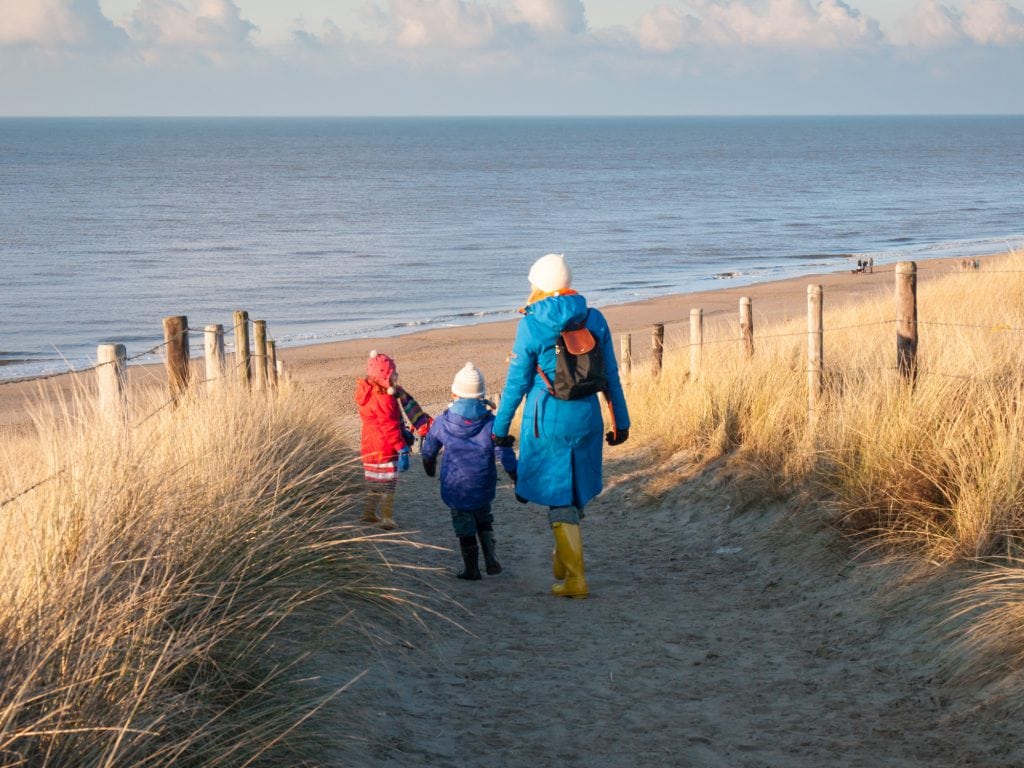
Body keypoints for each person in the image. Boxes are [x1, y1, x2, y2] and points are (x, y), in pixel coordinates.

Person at [491, 253, 630, 599]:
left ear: (540, 285)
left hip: (547, 420)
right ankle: (563, 556)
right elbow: (610, 374)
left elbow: (516, 384)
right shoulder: (594, 318)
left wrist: (500, 427)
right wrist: (621, 421)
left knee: (559, 497)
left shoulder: (531, 324)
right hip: (587, 415)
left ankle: (575, 578)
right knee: (576, 489)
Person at [421, 362, 518, 580]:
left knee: (464, 524)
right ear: (481, 395)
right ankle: (491, 560)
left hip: (456, 486)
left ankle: (472, 569)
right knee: (484, 518)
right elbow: (504, 451)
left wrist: (429, 466)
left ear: (454, 393)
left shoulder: (443, 421)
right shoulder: (491, 423)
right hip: (482, 483)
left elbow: (429, 449)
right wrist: (514, 473)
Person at [353, 350, 432, 530]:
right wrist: (402, 448)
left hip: (369, 445)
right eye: (393, 373)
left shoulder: (369, 391)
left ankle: (369, 513)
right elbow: (389, 427)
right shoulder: (384, 398)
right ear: (384, 376)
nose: (396, 376)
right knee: (388, 484)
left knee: (374, 482)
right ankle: (387, 518)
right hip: (384, 448)